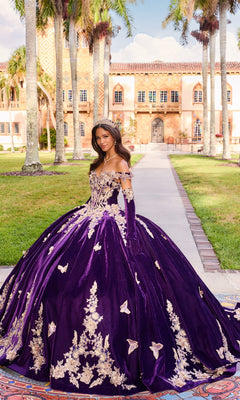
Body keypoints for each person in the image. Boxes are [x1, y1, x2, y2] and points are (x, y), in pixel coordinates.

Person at [0, 119, 239, 396]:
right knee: (51, 272)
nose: (102, 142)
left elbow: (130, 200)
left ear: (115, 136)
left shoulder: (121, 164)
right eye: (98, 138)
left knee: (122, 286)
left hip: (113, 222)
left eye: (106, 137)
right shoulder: (98, 163)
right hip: (87, 217)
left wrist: (132, 232)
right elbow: (94, 197)